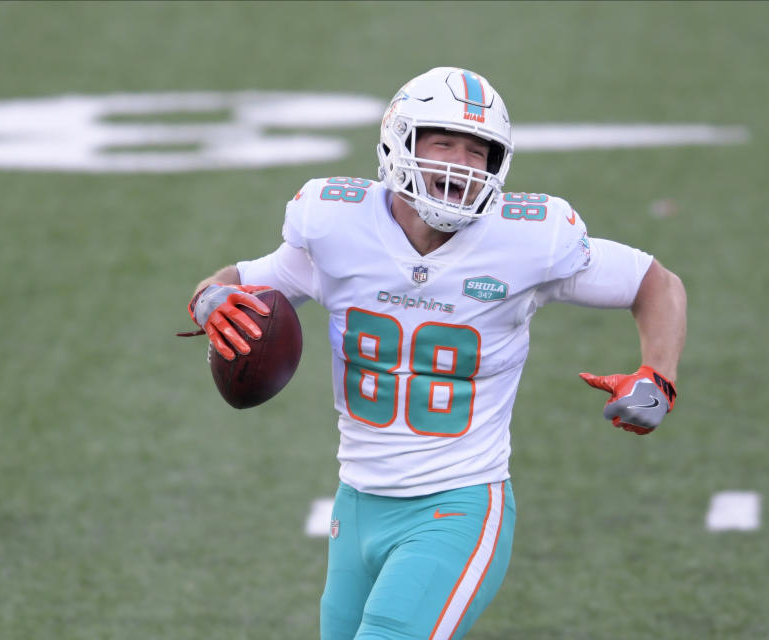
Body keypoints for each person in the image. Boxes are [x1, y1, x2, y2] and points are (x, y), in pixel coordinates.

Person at [185, 67, 686, 639]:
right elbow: (242, 280)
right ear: (401, 142)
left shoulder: (528, 240)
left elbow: (656, 283)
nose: (460, 163)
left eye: (478, 151)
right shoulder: (336, 225)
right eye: (443, 142)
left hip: (457, 507)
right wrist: (210, 298)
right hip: (356, 507)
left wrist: (658, 377)